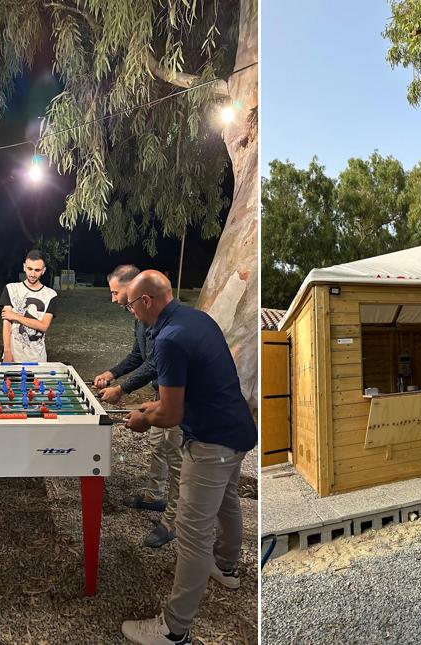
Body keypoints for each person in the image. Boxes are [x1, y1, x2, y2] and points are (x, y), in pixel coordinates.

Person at [121, 270, 257, 645]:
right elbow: (187, 390)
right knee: (227, 501)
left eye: (131, 305)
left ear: (146, 301)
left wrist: (143, 419)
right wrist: (156, 404)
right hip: (239, 430)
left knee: (193, 535)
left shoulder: (168, 339)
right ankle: (226, 567)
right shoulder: (197, 318)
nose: (131, 312)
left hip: (210, 442)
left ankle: (174, 628)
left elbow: (171, 417)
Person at [93, 264, 183, 548]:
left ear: (135, 290)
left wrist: (122, 389)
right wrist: (113, 373)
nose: (112, 298)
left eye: (115, 292)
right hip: (159, 394)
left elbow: (155, 362)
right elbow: (138, 355)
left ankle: (174, 520)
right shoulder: (139, 317)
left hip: (176, 397)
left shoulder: (161, 320)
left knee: (177, 460)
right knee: (158, 446)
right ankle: (155, 496)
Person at [0, 249, 58, 362]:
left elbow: (44, 326)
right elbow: (6, 322)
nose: (32, 274)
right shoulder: (11, 288)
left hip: (38, 358)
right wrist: (7, 351)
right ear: (24, 267)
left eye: (37, 270)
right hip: (12, 356)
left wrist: (15, 316)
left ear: (43, 270)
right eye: (30, 269)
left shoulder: (51, 295)